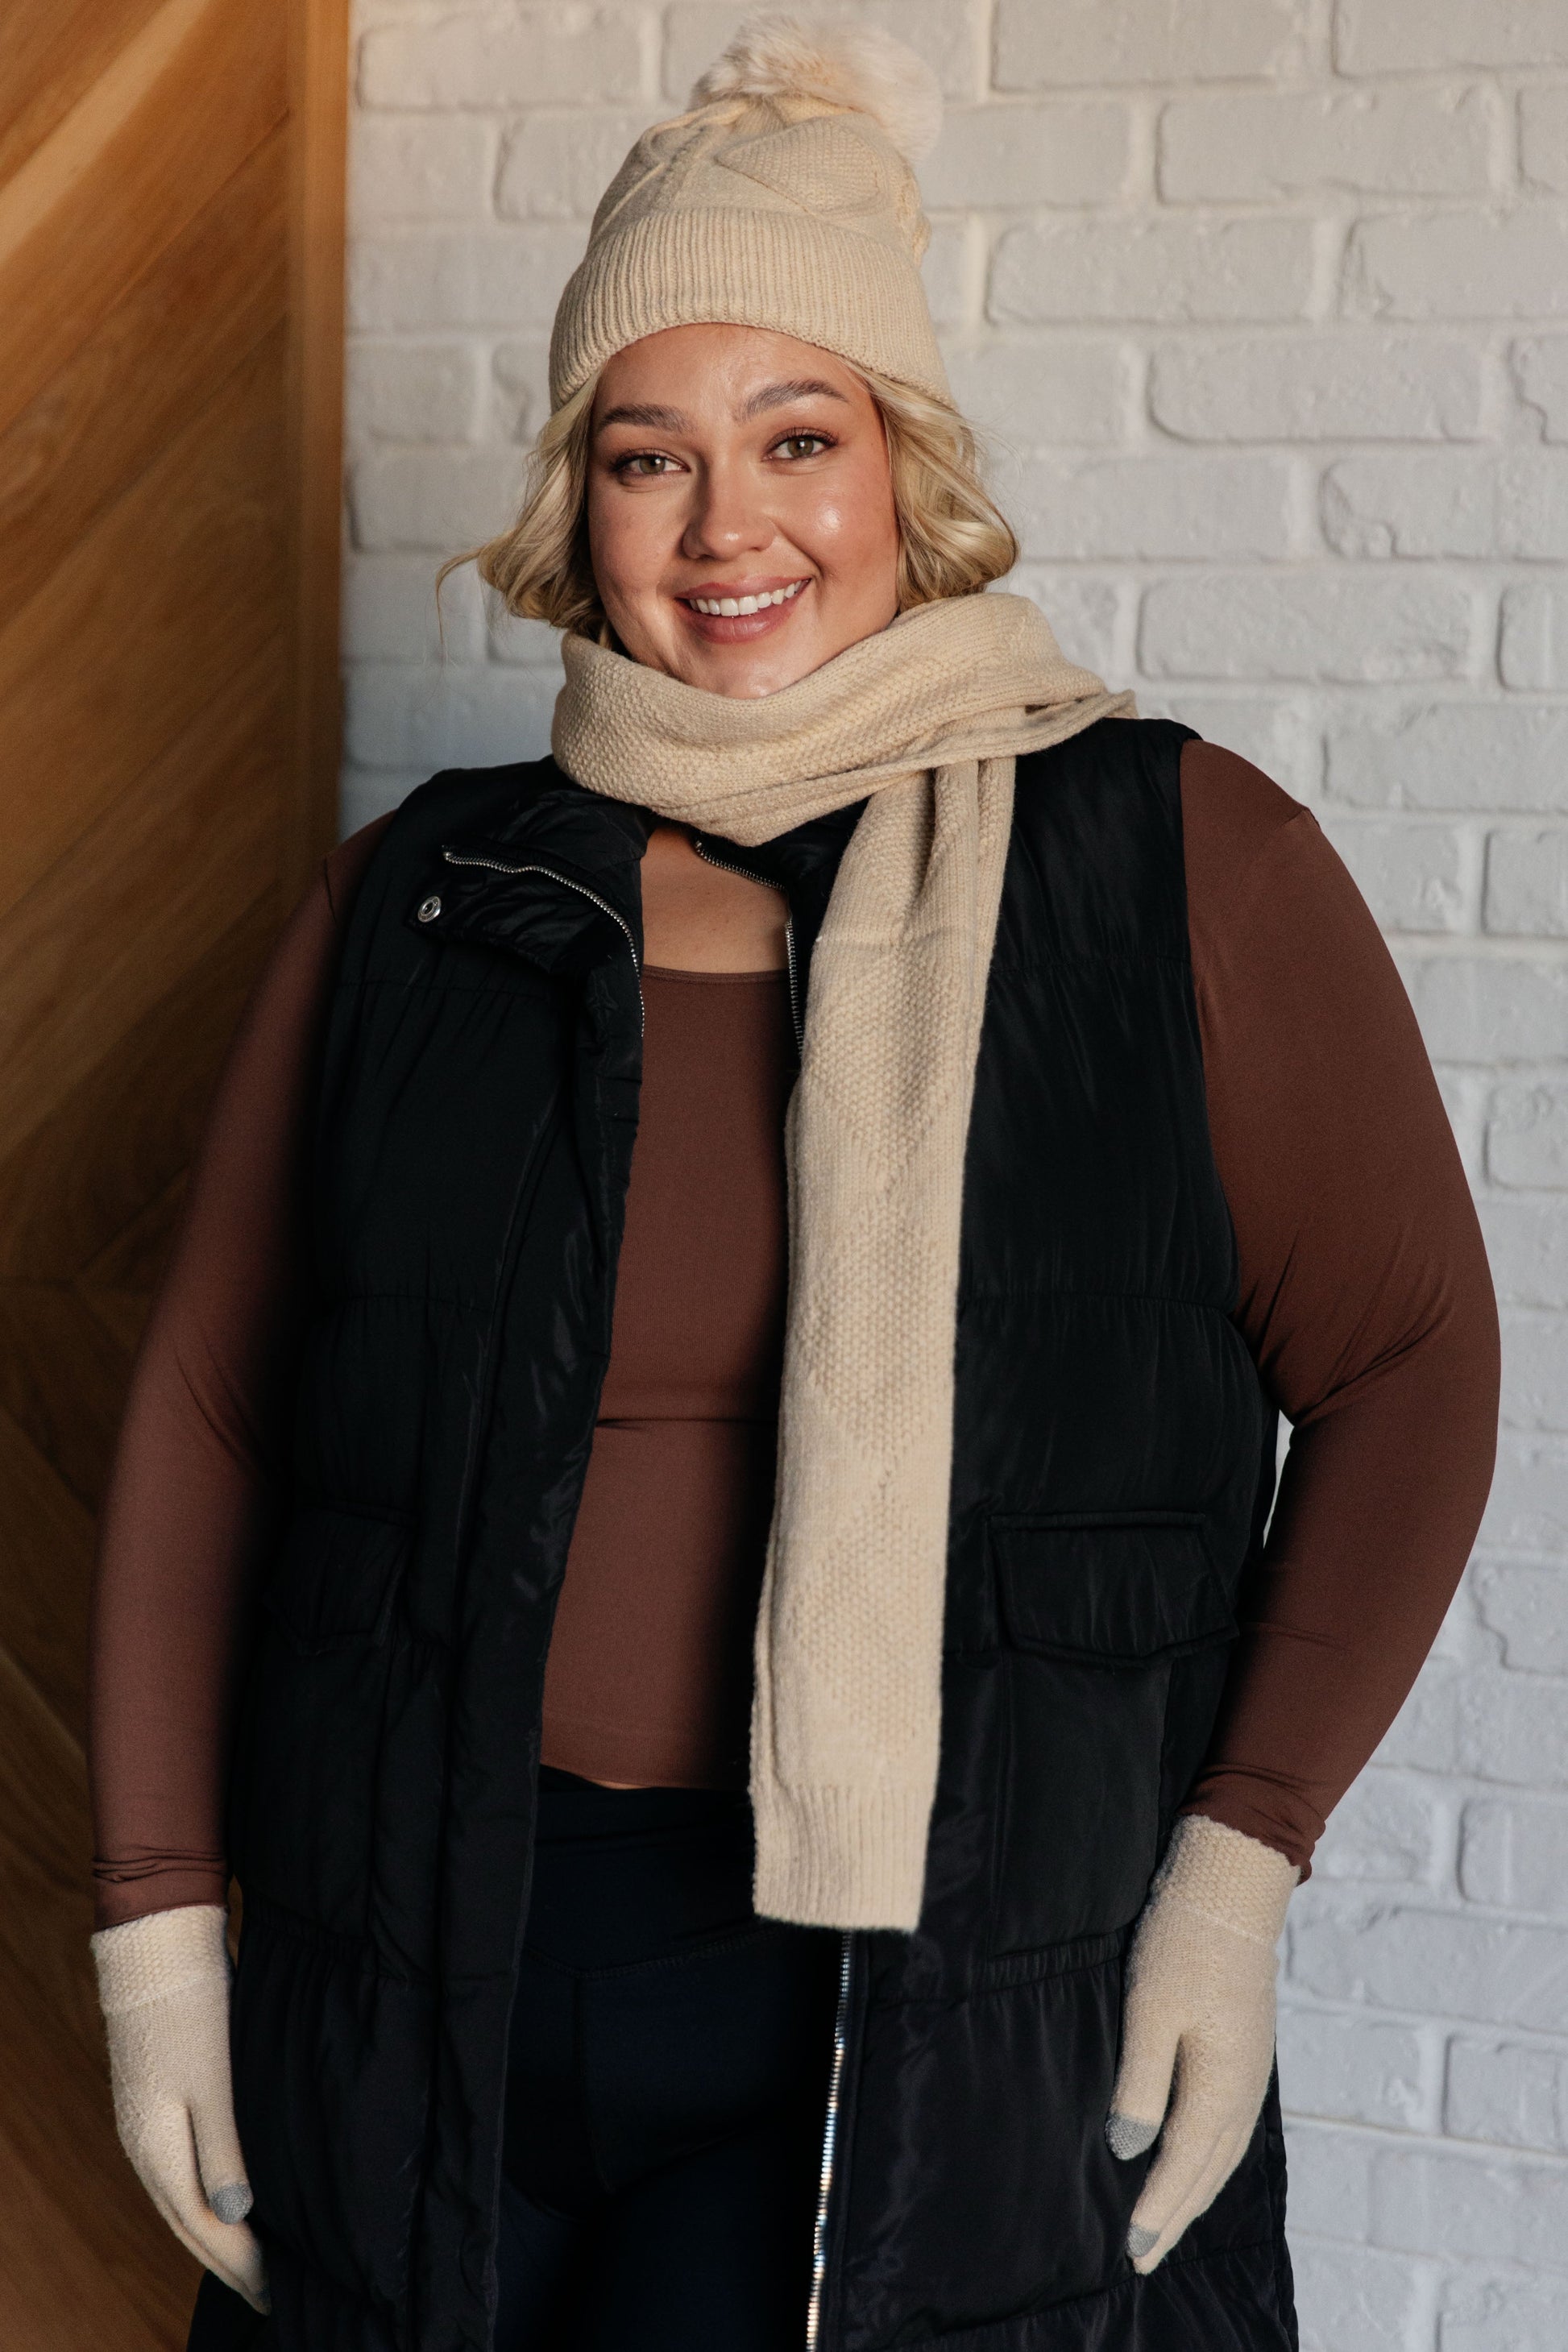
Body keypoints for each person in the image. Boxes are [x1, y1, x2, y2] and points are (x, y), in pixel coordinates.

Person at [86, 19, 1500, 2352]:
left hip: (908, 1988)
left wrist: (1236, 1868)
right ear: (578, 505)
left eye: (795, 438)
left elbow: (1404, 1368)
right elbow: (218, 1414)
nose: (724, 526)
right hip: (427, 1954)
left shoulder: (1165, 862)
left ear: (906, 470)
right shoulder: (425, 903)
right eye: (647, 456)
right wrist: (157, 1933)